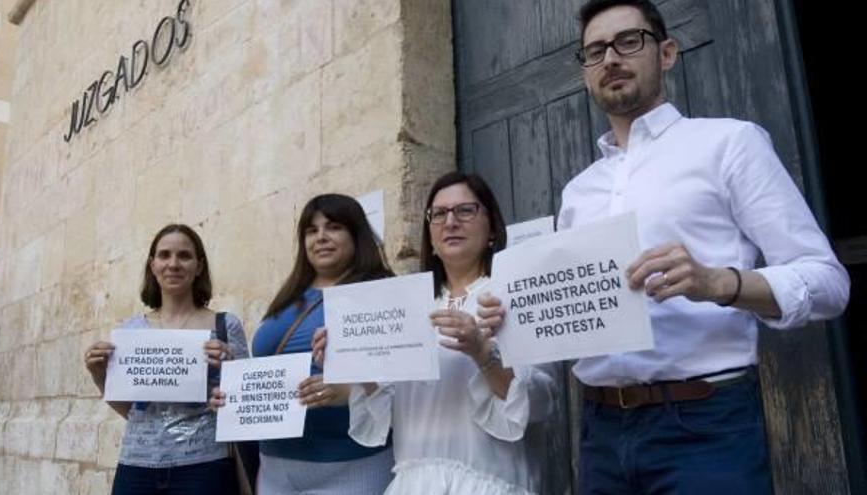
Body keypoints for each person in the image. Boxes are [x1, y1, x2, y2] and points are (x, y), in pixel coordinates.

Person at [482, 1, 850, 493]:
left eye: (628, 41)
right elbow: (570, 318)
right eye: (594, 52)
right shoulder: (578, 192)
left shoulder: (729, 144)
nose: (610, 58)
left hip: (706, 426)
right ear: (586, 72)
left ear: (668, 52)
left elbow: (828, 282)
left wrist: (719, 282)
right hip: (600, 431)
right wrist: (512, 317)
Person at [314, 172, 558, 494]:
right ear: (430, 234)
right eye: (439, 214)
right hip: (415, 481)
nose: (450, 222)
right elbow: (387, 408)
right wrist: (353, 359)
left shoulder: (514, 293)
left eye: (465, 211)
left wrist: (484, 355)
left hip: (487, 478)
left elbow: (542, 400)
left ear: (492, 228)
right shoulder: (408, 306)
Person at [211, 193, 394, 494]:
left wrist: (351, 391)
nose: (321, 237)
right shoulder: (288, 298)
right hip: (276, 467)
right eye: (311, 230)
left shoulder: (381, 291)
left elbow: (405, 382)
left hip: (351, 464)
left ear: (356, 233)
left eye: (333, 227)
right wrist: (234, 393)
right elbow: (268, 369)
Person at [84, 224, 249, 495]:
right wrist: (98, 375)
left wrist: (230, 371)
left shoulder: (225, 325)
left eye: (184, 256)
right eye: (164, 255)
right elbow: (131, 410)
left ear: (199, 266)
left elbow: (245, 404)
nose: (173, 264)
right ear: (153, 265)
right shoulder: (130, 331)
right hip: (136, 467)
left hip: (205, 466)